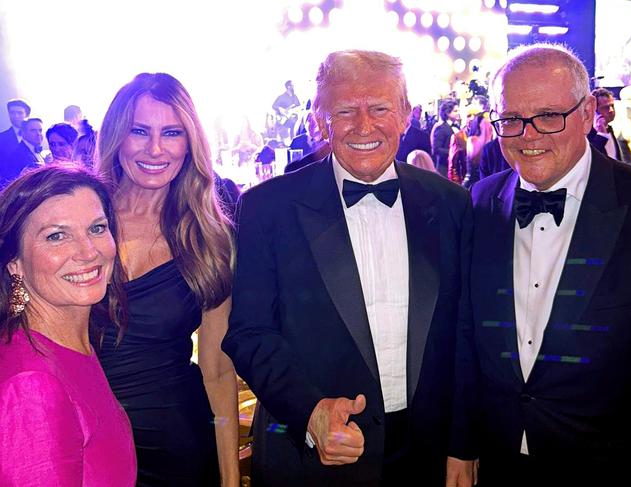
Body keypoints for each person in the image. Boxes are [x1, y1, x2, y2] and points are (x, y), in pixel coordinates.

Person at [222, 50, 475, 487]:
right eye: (344, 111)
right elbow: (249, 333)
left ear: (405, 115)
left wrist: (462, 444)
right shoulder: (268, 208)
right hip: (311, 461)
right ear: (320, 120)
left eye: (379, 108)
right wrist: (310, 411)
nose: (363, 126)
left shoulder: (451, 203)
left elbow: (465, 334)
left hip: (426, 457)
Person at [463, 43, 631, 486]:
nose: (528, 135)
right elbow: (467, 336)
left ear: (587, 114)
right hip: (499, 460)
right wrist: (462, 443)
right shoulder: (481, 200)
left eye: (549, 116)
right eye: (511, 120)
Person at [95, 72, 239, 486]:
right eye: (139, 131)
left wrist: (229, 479)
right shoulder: (79, 219)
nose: (155, 149)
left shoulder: (211, 238)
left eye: (172, 133)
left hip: (178, 443)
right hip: (82, 432)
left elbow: (217, 370)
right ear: (117, 137)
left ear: (189, 142)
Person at [0, 165, 136, 485]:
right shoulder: (32, 385)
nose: (89, 252)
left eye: (97, 228)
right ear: (14, 263)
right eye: (57, 236)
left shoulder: (71, 343)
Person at [431, 99, 459, 178]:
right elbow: (436, 149)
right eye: (455, 111)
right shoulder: (441, 128)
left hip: (454, 167)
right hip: (443, 168)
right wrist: (452, 152)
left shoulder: (457, 127)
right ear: (447, 113)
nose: (458, 113)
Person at [0, 99, 30, 165]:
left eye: (20, 113)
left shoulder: (36, 134)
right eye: (12, 113)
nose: (16, 116)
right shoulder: (1, 138)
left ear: (27, 115)